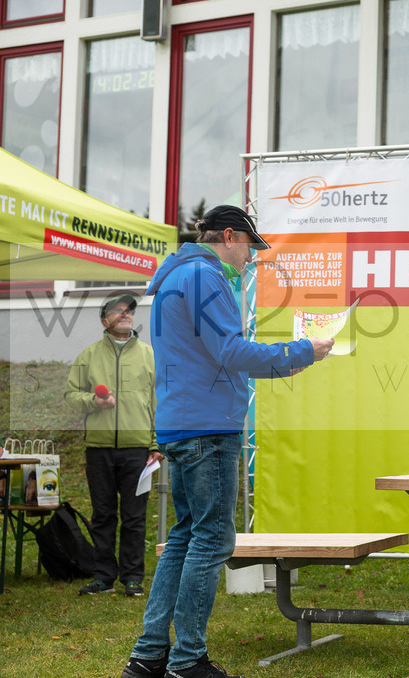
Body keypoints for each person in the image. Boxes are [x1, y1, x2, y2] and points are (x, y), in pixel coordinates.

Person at [120, 205, 334, 678]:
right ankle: (187, 659)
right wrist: (304, 350)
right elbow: (230, 351)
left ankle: (148, 655)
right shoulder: (205, 275)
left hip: (182, 421)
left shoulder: (175, 276)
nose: (250, 259)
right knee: (212, 540)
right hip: (207, 426)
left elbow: (209, 355)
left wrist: (284, 361)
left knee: (183, 538)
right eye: (249, 249)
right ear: (230, 236)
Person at [64, 293, 161, 598]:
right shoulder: (88, 356)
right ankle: (104, 576)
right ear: (104, 320)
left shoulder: (150, 355)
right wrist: (94, 401)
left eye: (129, 310)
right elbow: (71, 396)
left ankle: (133, 578)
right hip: (99, 448)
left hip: (138, 450)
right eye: (117, 311)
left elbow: (160, 401)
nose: (125, 315)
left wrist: (157, 443)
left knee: (134, 516)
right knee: (103, 515)